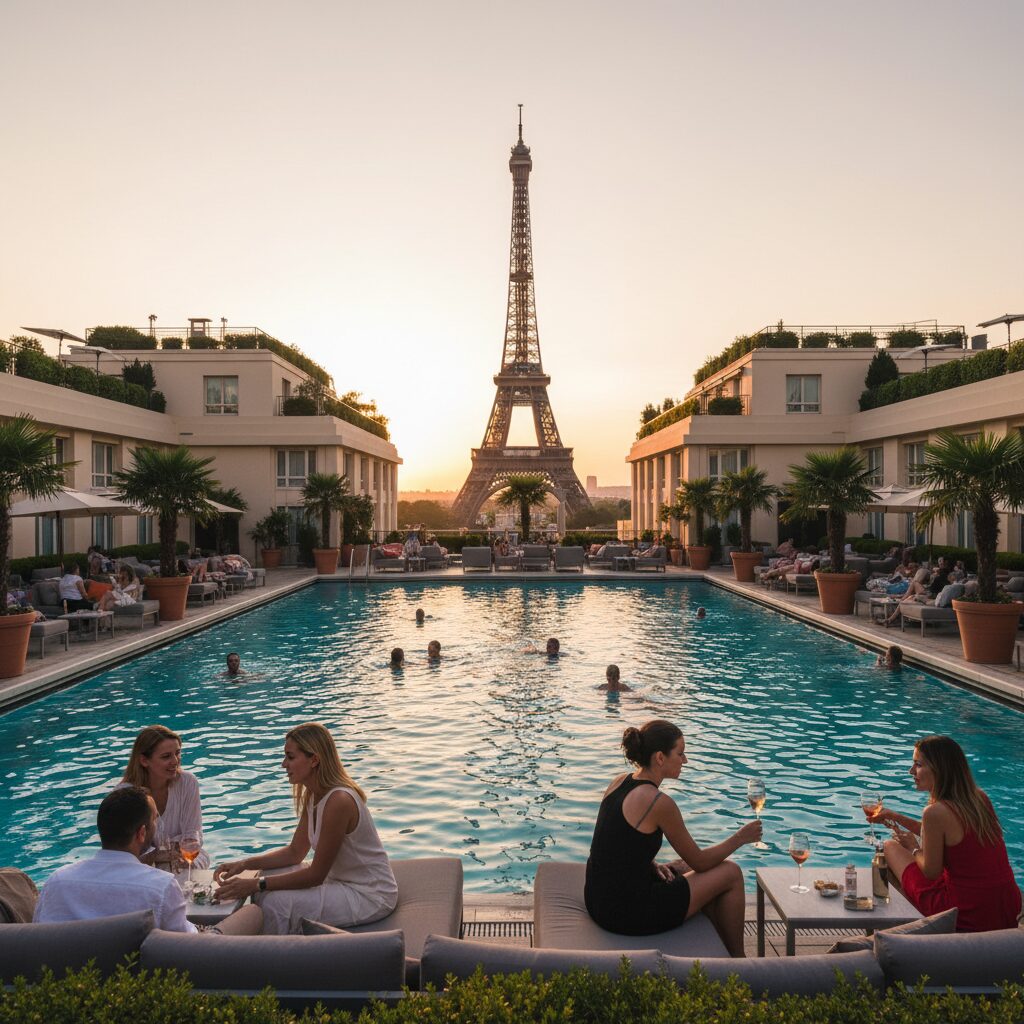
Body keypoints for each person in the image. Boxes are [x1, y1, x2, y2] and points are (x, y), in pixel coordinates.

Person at [584, 720, 761, 956]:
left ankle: (718, 948)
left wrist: (648, 863)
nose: (685, 760)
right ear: (660, 757)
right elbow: (700, 861)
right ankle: (740, 962)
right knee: (730, 872)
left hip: (597, 899)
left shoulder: (620, 781)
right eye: (680, 753)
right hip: (627, 913)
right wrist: (740, 837)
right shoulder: (658, 803)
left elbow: (613, 842)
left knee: (682, 866)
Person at [213, 723, 398, 935]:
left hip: (369, 894)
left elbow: (316, 875)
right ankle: (275, 939)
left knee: (276, 902)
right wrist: (245, 864)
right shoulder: (315, 794)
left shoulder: (339, 801)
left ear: (314, 760)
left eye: (290, 757)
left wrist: (255, 885)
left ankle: (277, 957)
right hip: (339, 880)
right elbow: (295, 852)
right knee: (266, 875)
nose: (284, 764)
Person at [34, 787, 262, 934]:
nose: (158, 825)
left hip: (73, 984)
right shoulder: (159, 885)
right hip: (148, 981)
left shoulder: (57, 881)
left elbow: (40, 936)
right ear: (142, 833)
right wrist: (202, 931)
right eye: (155, 820)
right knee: (252, 913)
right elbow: (186, 946)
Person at [878, 735, 1022, 932]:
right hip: (1004, 906)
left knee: (889, 847)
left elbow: (931, 871)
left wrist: (912, 847)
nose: (911, 771)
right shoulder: (978, 798)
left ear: (939, 769)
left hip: (963, 911)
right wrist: (896, 817)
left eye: (918, 765)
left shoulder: (934, 812)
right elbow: (949, 834)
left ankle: (901, 926)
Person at [120, 725, 209, 869]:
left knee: (199, 860)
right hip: (143, 867)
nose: (175, 761)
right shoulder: (124, 795)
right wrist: (160, 855)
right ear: (144, 760)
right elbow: (126, 852)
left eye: (177, 753)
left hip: (182, 860)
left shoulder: (187, 782)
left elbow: (193, 838)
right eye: (166, 756)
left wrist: (173, 854)